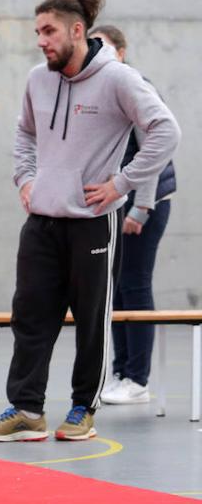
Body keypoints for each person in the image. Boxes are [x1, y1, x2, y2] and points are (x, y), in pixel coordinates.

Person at [0, 0, 180, 443]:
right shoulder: (37, 80)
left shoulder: (119, 80)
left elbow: (166, 130)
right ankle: (26, 410)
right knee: (29, 314)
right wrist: (25, 179)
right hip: (41, 220)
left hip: (92, 220)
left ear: (76, 31)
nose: (41, 41)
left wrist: (122, 184)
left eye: (49, 31)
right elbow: (24, 132)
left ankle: (83, 408)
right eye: (37, 32)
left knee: (91, 319)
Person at [90, 26, 177, 406]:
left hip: (143, 202)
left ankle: (137, 378)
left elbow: (152, 154)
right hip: (116, 200)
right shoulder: (102, 88)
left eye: (106, 47)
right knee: (118, 288)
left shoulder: (135, 85)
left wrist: (141, 208)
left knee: (136, 285)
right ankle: (122, 370)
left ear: (122, 52)